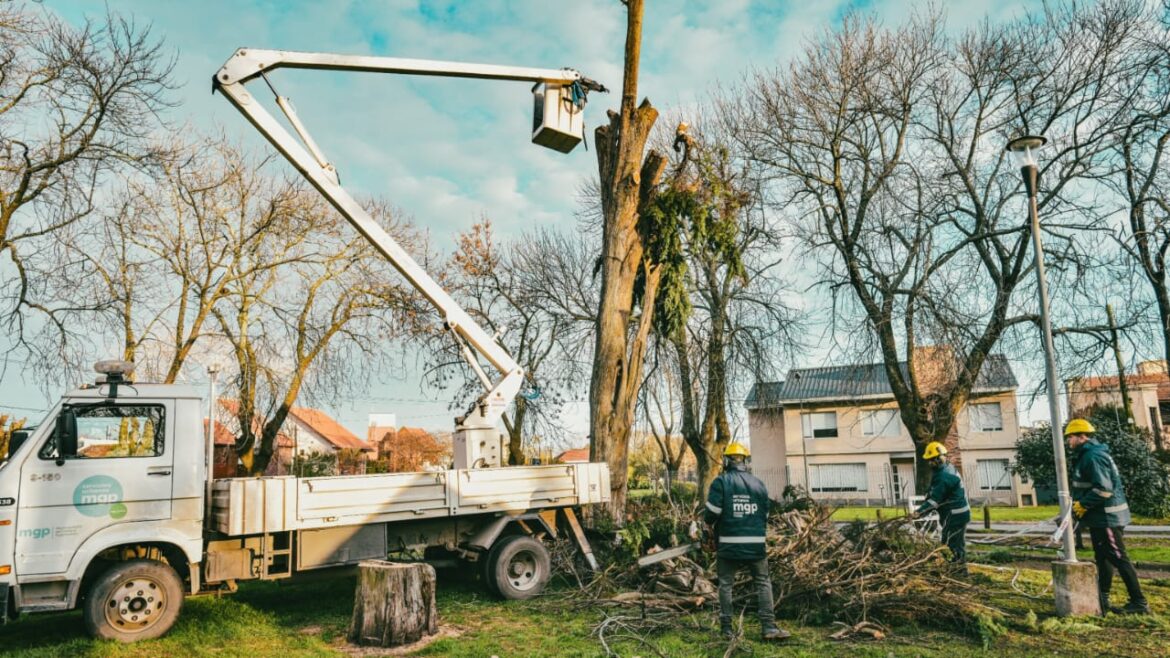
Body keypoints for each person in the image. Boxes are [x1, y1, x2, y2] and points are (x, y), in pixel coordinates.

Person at [703, 442, 789, 642]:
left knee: (725, 584)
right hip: (755, 545)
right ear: (745, 461)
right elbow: (765, 514)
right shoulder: (759, 484)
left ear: (726, 461)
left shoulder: (721, 482)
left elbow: (712, 513)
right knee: (762, 582)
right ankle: (768, 626)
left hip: (729, 544)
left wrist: (707, 527)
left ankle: (726, 629)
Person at [1065, 418, 1149, 615]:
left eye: (1070, 437)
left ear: (1081, 437)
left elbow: (1104, 489)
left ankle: (1139, 602)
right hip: (1100, 518)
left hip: (1107, 519)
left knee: (1119, 558)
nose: (1068, 441)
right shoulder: (1088, 455)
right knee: (1103, 559)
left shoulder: (1092, 457)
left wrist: (1082, 505)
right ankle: (1102, 598)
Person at [913, 441, 970, 574]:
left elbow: (935, 501)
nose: (929, 463)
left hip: (955, 515)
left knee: (953, 543)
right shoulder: (945, 469)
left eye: (931, 460)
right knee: (950, 541)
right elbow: (935, 491)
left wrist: (919, 512)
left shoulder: (945, 475)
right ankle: (956, 566)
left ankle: (960, 570)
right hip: (955, 513)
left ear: (939, 459)